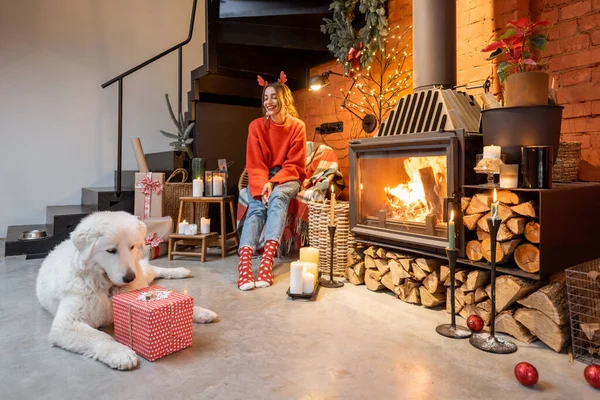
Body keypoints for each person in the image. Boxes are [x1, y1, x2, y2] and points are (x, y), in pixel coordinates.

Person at [237, 71, 306, 291]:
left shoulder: (297, 127)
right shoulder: (255, 126)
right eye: (266, 97)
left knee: (277, 198)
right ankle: (244, 264)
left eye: (274, 96)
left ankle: (267, 260)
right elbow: (255, 163)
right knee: (256, 206)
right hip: (261, 174)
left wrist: (274, 183)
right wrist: (263, 183)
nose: (269, 101)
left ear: (284, 98)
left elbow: (295, 164)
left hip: (288, 176)